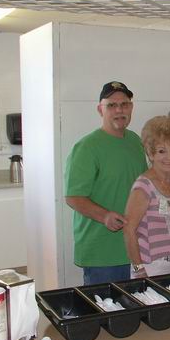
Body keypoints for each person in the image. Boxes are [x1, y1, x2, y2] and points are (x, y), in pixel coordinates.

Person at [64, 81, 147, 285]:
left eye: (124, 104)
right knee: (105, 313)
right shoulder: (87, 147)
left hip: (134, 248)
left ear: (131, 107)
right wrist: (105, 216)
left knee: (133, 312)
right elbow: (73, 197)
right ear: (100, 109)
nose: (119, 110)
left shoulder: (135, 141)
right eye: (111, 105)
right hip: (102, 253)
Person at [124, 116, 170, 278]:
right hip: (151, 266)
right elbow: (129, 229)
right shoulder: (143, 186)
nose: (169, 157)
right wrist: (139, 269)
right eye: (161, 151)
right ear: (151, 154)